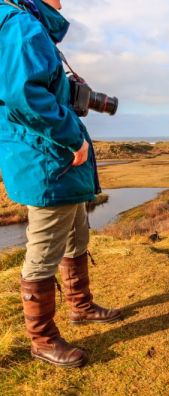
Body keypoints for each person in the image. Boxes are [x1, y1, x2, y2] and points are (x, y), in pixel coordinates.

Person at [0, 0, 121, 368]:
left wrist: (71, 92)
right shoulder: (21, 26)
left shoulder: (29, 25)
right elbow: (25, 98)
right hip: (47, 159)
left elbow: (42, 89)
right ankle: (42, 339)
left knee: (76, 233)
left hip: (55, 160)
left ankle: (80, 306)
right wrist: (72, 136)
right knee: (45, 248)